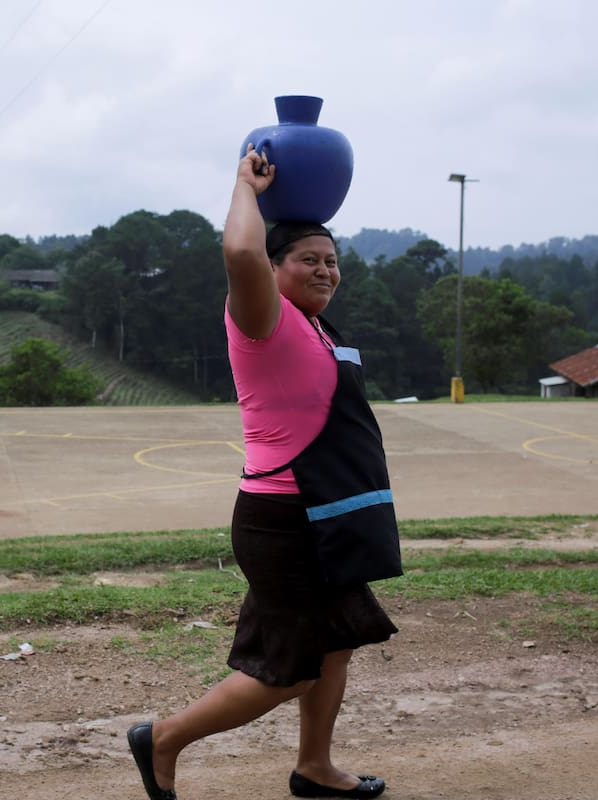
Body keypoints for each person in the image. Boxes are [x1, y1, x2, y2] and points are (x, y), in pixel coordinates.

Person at [127, 144, 401, 800]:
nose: (325, 270)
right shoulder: (264, 321)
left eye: (332, 261)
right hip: (286, 520)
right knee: (290, 670)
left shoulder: (315, 327)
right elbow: (242, 254)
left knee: (338, 642)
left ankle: (314, 767)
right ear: (275, 269)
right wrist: (245, 187)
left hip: (327, 516)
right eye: (308, 259)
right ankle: (162, 739)